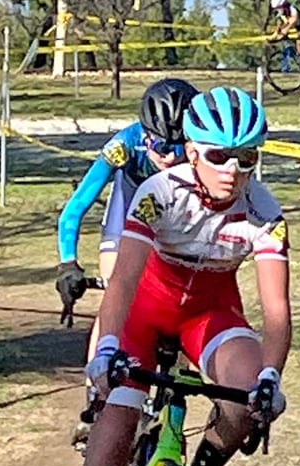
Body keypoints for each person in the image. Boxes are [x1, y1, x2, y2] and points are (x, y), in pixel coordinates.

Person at [47, 86, 292, 466]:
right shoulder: (158, 194)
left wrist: (270, 378)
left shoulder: (267, 214)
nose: (234, 170)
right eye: (218, 155)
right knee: (109, 443)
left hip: (209, 314)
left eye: (248, 158)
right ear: (192, 151)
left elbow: (276, 315)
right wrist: (107, 346)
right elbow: (125, 282)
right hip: (142, 313)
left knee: (241, 402)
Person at [54, 77, 197, 346]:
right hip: (128, 208)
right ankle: (97, 378)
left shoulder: (202, 149)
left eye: (180, 147)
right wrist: (68, 264)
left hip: (176, 214)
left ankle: (176, 373)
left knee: (181, 309)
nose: (171, 157)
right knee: (116, 297)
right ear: (145, 136)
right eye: (162, 147)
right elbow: (74, 209)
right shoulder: (124, 145)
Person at [268, 0, 300, 80]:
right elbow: (279, 28)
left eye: (277, 9)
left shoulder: (293, 10)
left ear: (282, 6)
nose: (276, 11)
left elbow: (290, 24)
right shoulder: (282, 15)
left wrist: (282, 33)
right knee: (299, 50)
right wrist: (273, 36)